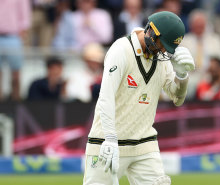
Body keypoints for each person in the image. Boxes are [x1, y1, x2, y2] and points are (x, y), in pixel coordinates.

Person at [83, 11, 195, 185]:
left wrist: (181, 75)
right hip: (106, 142)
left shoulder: (161, 58)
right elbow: (106, 96)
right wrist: (110, 139)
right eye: (162, 44)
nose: (164, 51)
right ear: (151, 31)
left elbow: (177, 98)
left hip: (144, 143)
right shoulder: (121, 50)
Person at [0, 0, 31, 101]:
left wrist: (22, 35)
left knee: (16, 73)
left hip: (13, 36)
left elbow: (25, 17)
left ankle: (16, 101)